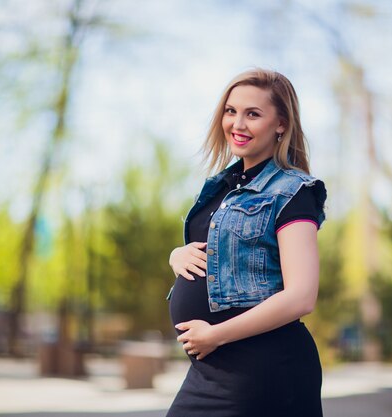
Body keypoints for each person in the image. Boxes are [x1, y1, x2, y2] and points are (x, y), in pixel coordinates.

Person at [166, 68, 327, 417]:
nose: (237, 123)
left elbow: (301, 296)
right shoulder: (222, 187)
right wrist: (177, 255)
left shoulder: (293, 192)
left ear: (280, 123)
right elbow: (220, 254)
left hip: (262, 368)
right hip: (215, 368)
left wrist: (216, 335)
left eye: (253, 114)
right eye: (231, 111)